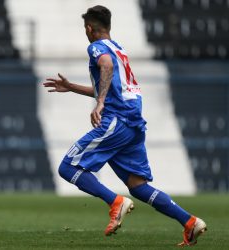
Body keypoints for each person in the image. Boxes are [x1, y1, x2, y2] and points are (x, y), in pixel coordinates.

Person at [42, 5, 206, 246]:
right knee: (138, 186)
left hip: (117, 121)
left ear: (89, 28)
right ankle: (190, 222)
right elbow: (113, 87)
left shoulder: (97, 47)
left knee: (68, 168)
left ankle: (115, 202)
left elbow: (105, 67)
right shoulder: (119, 49)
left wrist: (99, 103)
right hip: (133, 123)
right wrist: (73, 87)